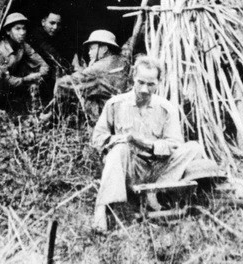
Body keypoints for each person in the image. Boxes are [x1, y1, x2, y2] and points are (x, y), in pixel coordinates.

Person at [90, 56, 210, 232]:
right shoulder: (115, 104)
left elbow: (175, 144)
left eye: (151, 84)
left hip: (158, 168)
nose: (145, 89)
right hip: (129, 168)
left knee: (194, 148)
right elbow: (98, 138)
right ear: (133, 77)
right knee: (120, 149)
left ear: (159, 83)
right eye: (141, 82)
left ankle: (155, 193)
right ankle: (102, 208)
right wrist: (122, 139)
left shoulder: (166, 108)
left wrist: (149, 145)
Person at [48, 29, 131, 119]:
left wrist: (85, 69)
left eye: (92, 48)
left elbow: (63, 83)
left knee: (71, 88)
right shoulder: (123, 60)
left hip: (106, 115)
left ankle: (50, 116)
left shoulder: (98, 67)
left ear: (104, 49)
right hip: (123, 111)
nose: (89, 52)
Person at [0, 12, 50, 110]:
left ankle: (33, 107)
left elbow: (42, 63)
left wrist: (39, 74)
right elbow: (6, 78)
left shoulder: (23, 46)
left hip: (7, 88)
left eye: (24, 28)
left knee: (30, 71)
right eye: (18, 29)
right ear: (8, 31)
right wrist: (25, 79)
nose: (22, 32)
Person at [28, 11, 72, 104]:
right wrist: (68, 67)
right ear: (43, 22)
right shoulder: (37, 34)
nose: (55, 27)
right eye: (52, 23)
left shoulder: (57, 35)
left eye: (58, 24)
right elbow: (50, 52)